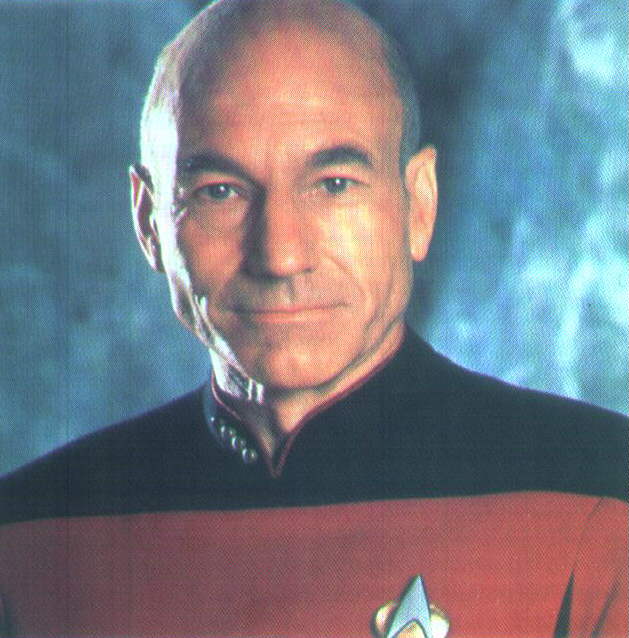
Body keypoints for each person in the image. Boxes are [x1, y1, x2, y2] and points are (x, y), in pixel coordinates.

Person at [0, 1, 626, 636]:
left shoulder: (602, 496)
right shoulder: (28, 539)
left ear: (418, 205)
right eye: (220, 192)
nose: (280, 255)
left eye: (334, 185)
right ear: (149, 223)